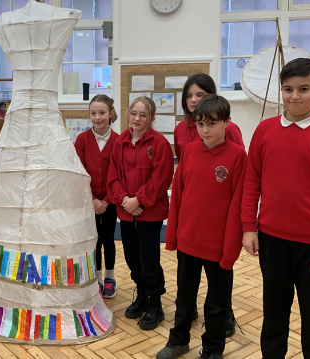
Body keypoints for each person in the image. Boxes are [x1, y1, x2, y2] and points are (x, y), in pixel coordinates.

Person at [241, 58, 310, 358]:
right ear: (281, 90)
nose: (294, 96)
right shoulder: (264, 130)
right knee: (274, 313)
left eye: (304, 89)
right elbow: (252, 182)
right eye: (288, 89)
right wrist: (249, 227)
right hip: (272, 240)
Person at [157, 95, 246, 359]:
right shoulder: (189, 153)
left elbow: (238, 206)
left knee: (217, 304)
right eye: (200, 124)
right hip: (188, 243)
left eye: (212, 124)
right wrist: (172, 237)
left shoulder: (238, 157)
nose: (205, 130)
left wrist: (230, 251)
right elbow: (179, 197)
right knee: (184, 298)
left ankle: (212, 349)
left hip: (219, 247)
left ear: (227, 123)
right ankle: (179, 340)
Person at [174, 73, 244, 335]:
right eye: (189, 95)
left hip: (218, 225)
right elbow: (185, 174)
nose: (193, 100)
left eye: (200, 95)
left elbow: (236, 175)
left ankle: (225, 313)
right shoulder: (182, 130)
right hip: (192, 225)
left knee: (219, 280)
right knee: (187, 283)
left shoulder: (231, 131)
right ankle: (187, 315)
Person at [106, 96, 174, 330]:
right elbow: (113, 177)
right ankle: (142, 295)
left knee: (149, 260)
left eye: (143, 115)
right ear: (127, 115)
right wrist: (124, 199)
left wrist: (139, 200)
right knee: (133, 259)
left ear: (152, 119)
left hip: (149, 214)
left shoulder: (160, 144)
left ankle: (155, 303)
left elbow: (162, 178)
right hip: (126, 213)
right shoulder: (119, 143)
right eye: (133, 113)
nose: (137, 118)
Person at [74, 94, 119, 298]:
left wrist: (107, 200)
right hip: (88, 201)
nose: (97, 117)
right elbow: (79, 171)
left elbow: (120, 173)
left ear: (110, 114)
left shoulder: (119, 141)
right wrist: (92, 200)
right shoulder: (82, 140)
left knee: (108, 239)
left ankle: (109, 277)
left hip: (111, 201)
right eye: (93, 113)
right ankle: (97, 277)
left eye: (102, 113)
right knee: (94, 240)